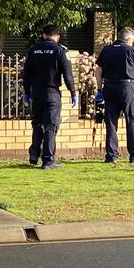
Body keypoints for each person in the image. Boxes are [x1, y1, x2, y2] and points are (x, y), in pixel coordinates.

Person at [23, 24, 78, 170]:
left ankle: (34, 155)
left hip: (36, 92)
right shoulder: (60, 50)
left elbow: (26, 73)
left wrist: (27, 92)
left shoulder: (33, 50)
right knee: (51, 126)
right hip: (52, 92)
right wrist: (73, 93)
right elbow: (68, 74)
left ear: (43, 35)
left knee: (37, 123)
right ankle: (48, 160)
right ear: (57, 36)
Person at [94, 27, 134, 164]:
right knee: (132, 119)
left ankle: (111, 156)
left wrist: (99, 90)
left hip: (109, 87)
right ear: (129, 39)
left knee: (111, 122)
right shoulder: (131, 50)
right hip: (126, 87)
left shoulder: (106, 50)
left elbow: (98, 70)